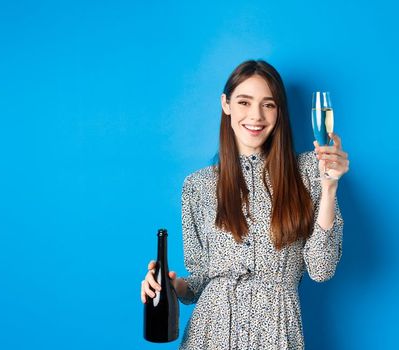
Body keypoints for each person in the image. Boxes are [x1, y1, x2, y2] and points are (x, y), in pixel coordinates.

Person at [139, 59, 349, 350]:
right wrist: (171, 286)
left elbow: (321, 269)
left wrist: (329, 188)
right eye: (244, 102)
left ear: (279, 112)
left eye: (268, 104)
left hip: (276, 333)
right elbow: (200, 280)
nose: (256, 115)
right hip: (210, 333)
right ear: (226, 105)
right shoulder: (197, 186)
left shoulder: (309, 171)